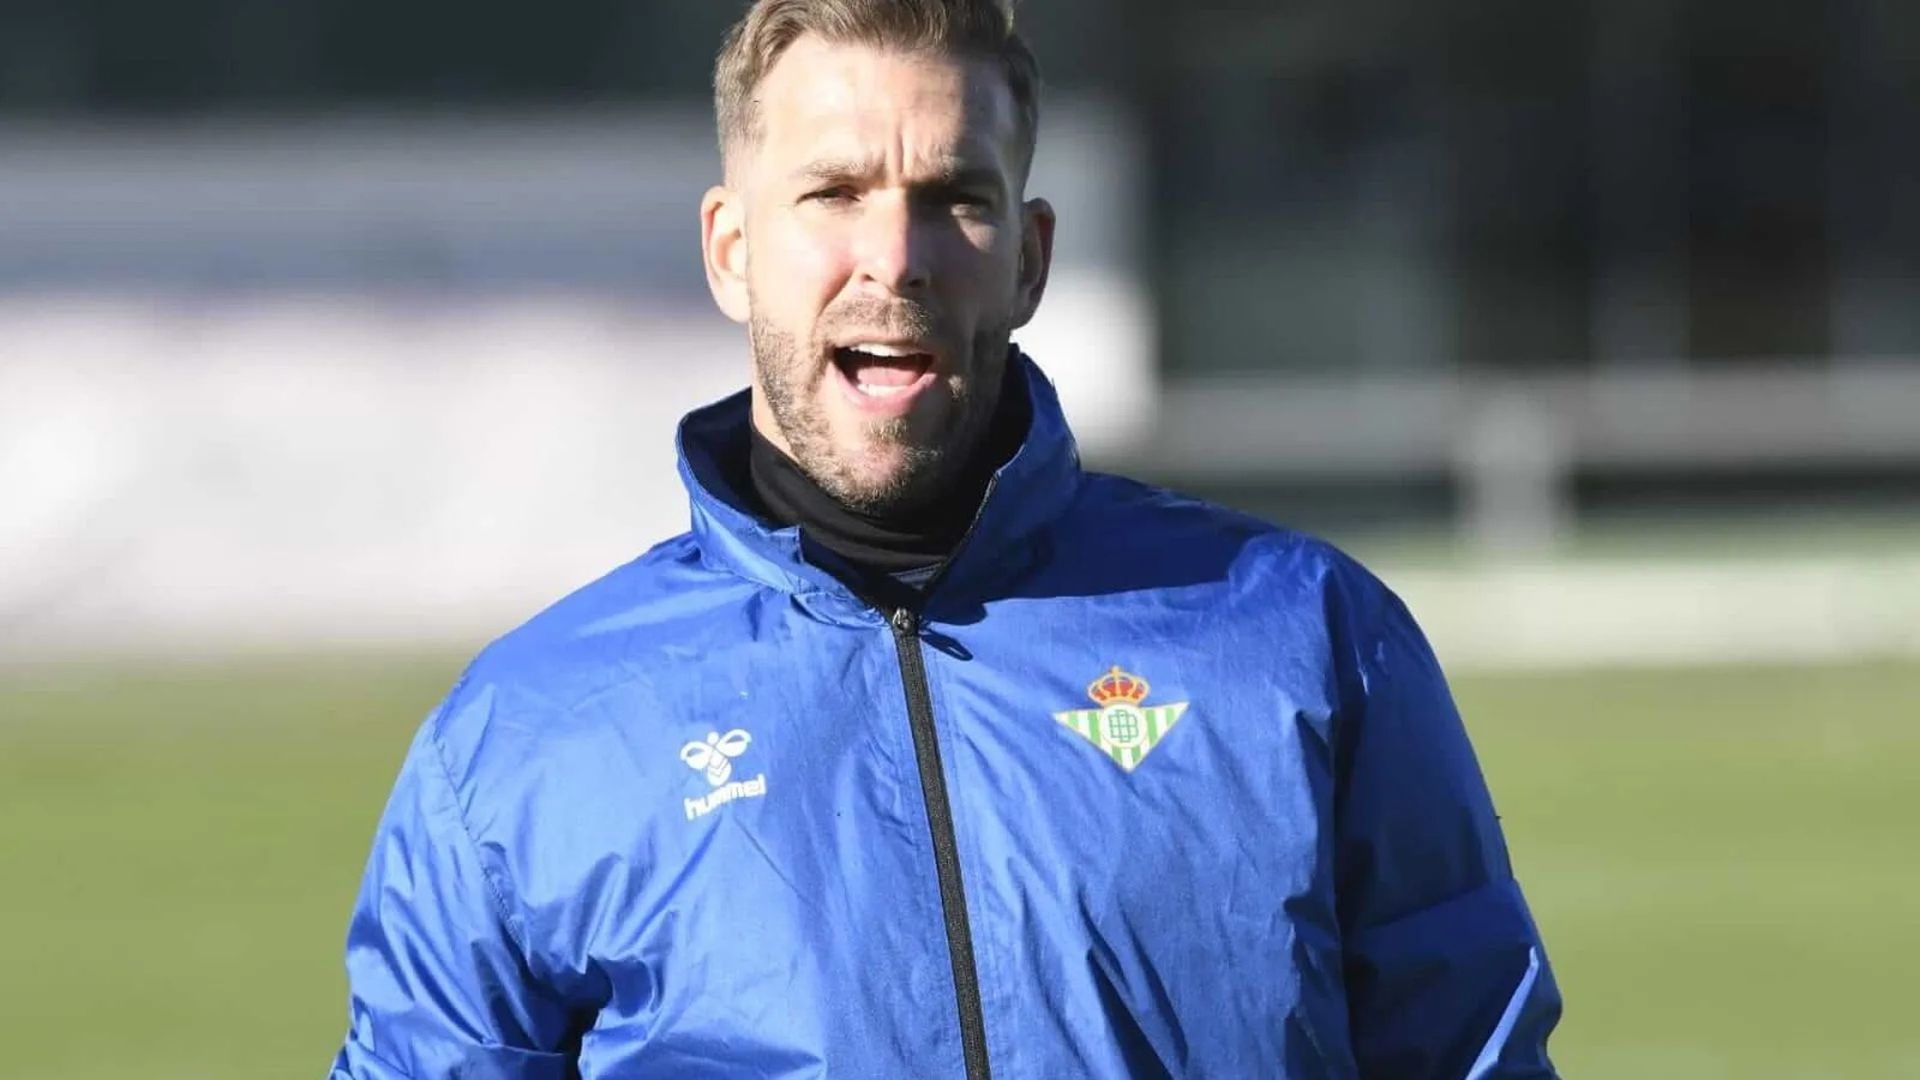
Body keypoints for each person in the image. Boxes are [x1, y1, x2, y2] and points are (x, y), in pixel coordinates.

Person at [329, 0, 1563, 1075]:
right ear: (731, 250)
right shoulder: (524, 738)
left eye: (954, 200)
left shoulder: (1305, 638)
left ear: (1028, 260)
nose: (896, 258)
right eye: (833, 192)